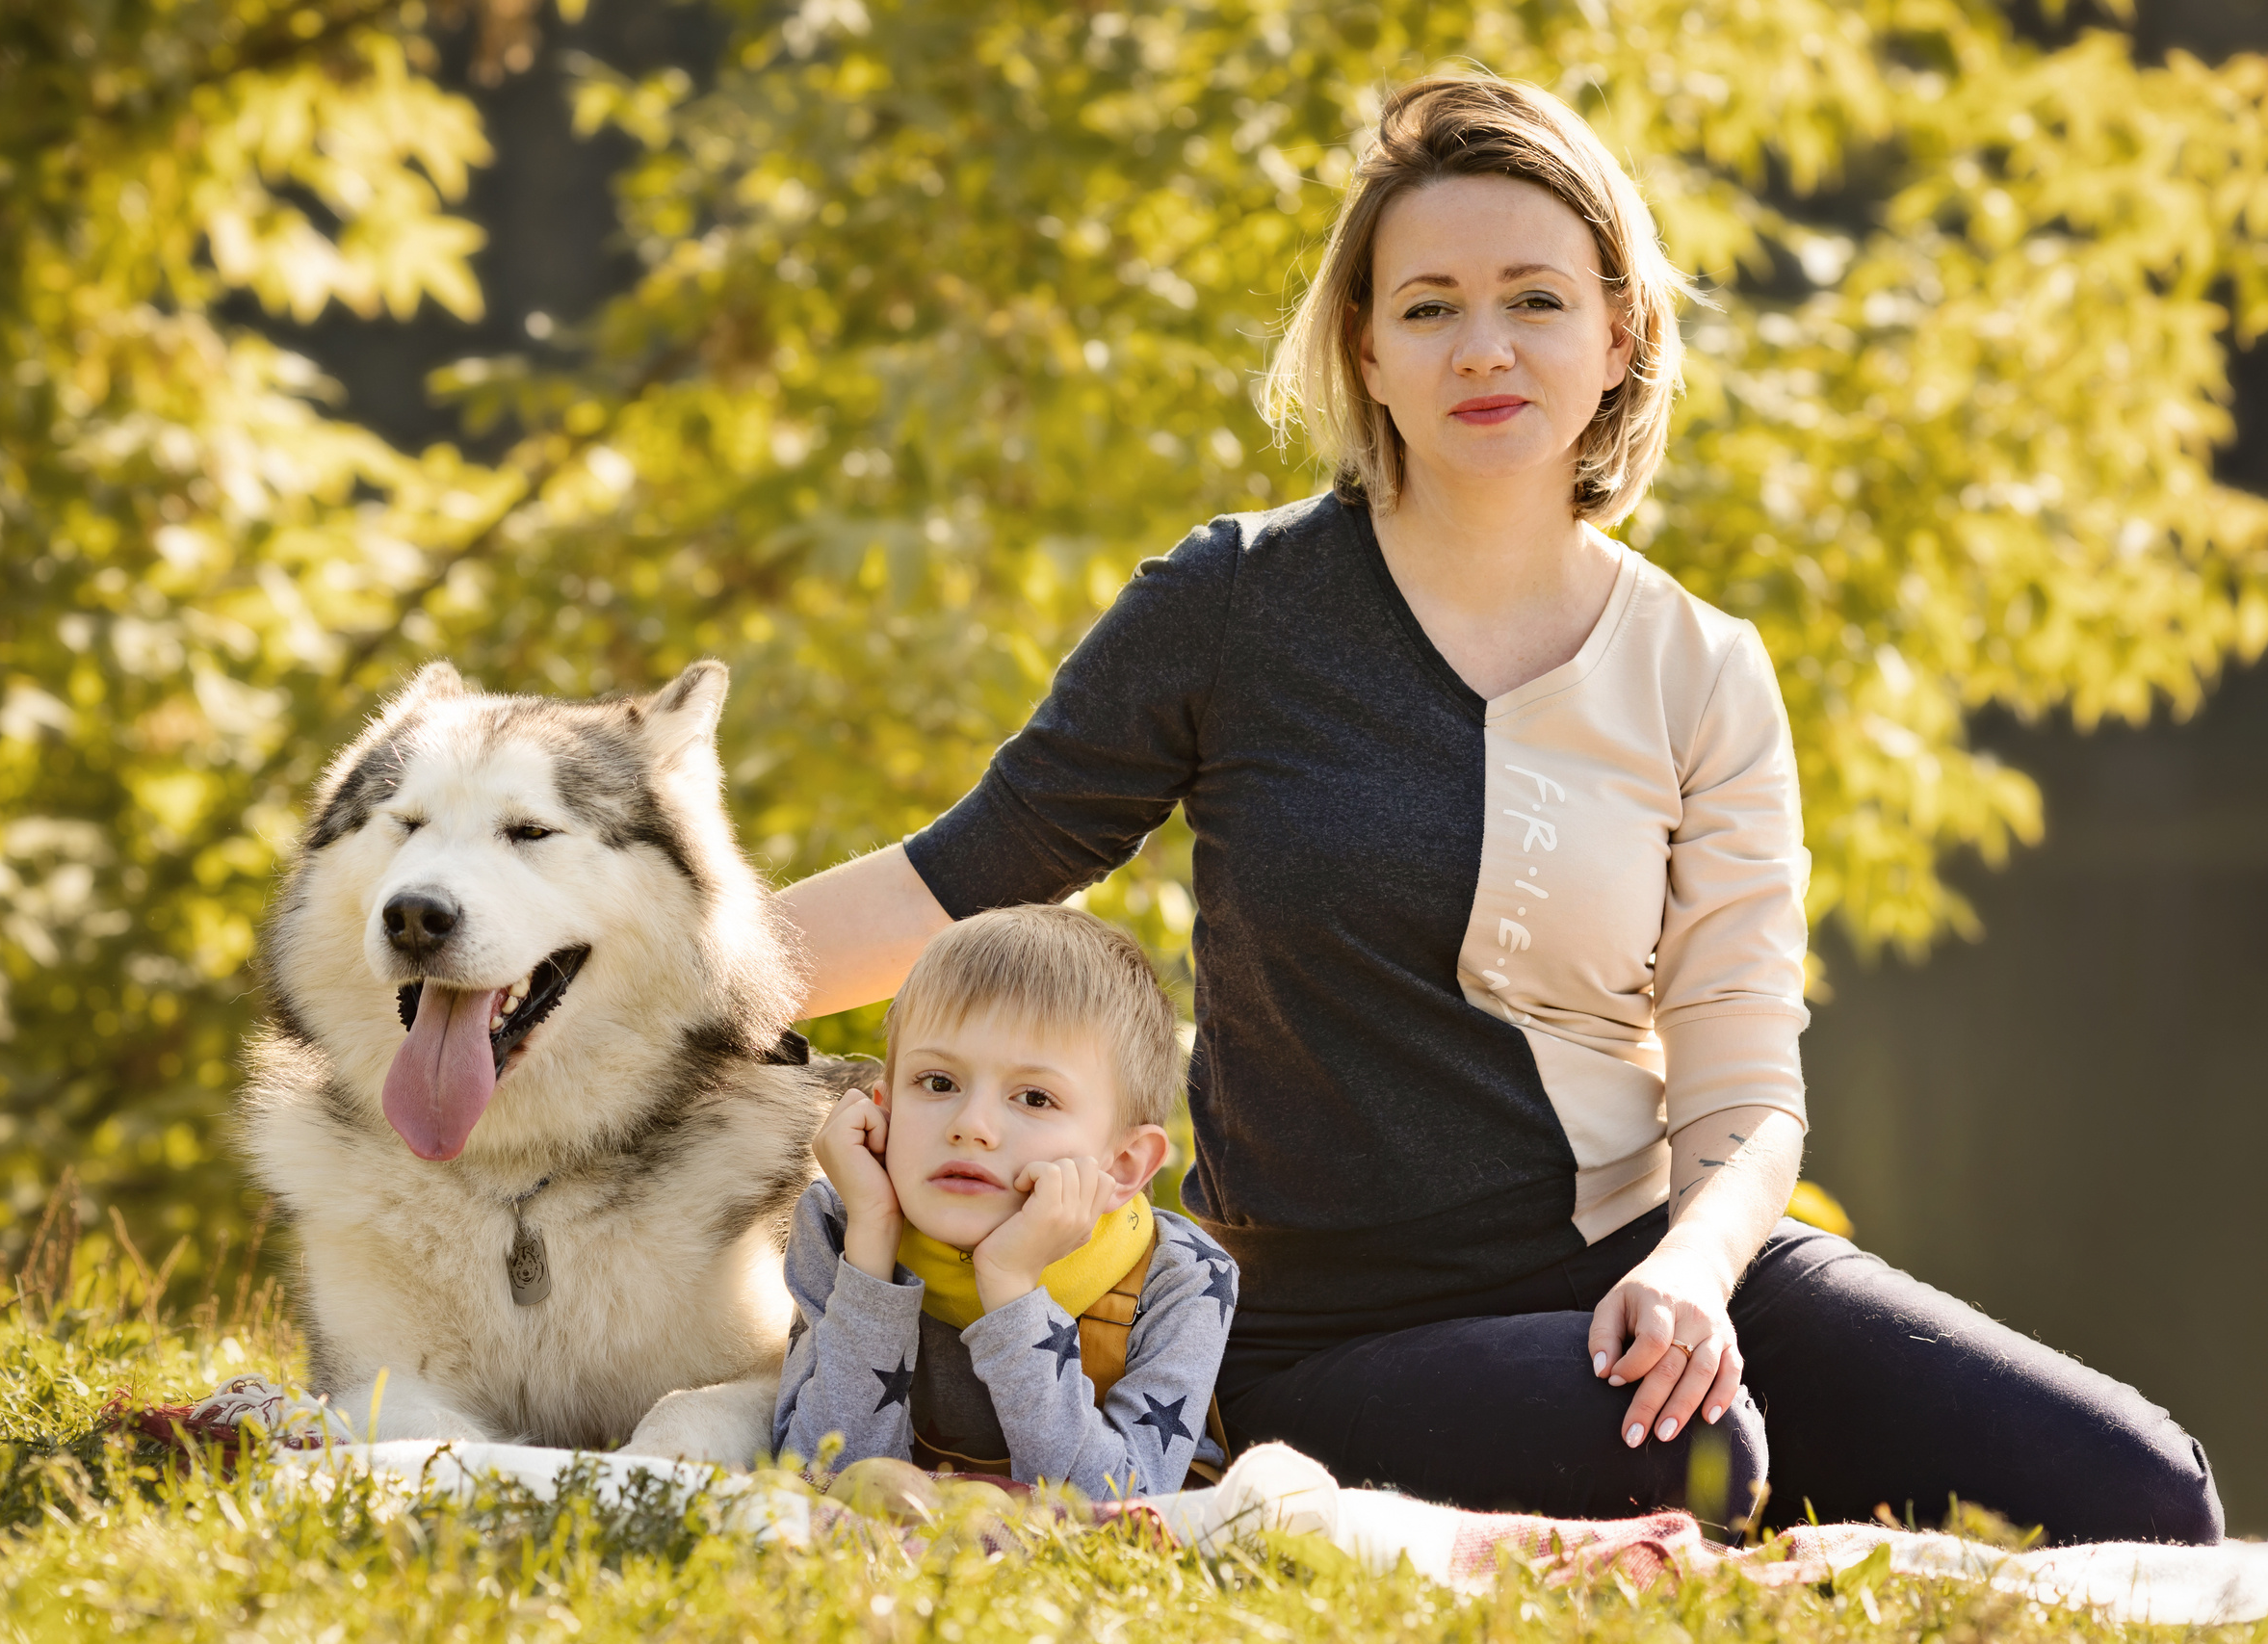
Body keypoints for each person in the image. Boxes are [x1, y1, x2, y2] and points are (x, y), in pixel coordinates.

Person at [775, 74, 2222, 1543]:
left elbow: (1741, 1086)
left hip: (1659, 1263)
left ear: (1619, 335)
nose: (1484, 348)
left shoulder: (1702, 667)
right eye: (1428, 307)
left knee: (2141, 1487)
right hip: (1334, 1327)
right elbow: (968, 869)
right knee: (1693, 1453)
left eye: (1535, 299)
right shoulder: (1233, 605)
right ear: (1367, 351)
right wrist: (633, 979)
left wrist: (1696, 1273)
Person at [773, 904, 1236, 1497]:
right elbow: (812, 1481)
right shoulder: (842, 1224)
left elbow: (1118, 1511)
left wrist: (1012, 1286)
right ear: (883, 1110)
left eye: (1035, 1098)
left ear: (1122, 1165)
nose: (972, 1125)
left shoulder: (1181, 1276)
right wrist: (872, 1247)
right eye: (938, 1083)